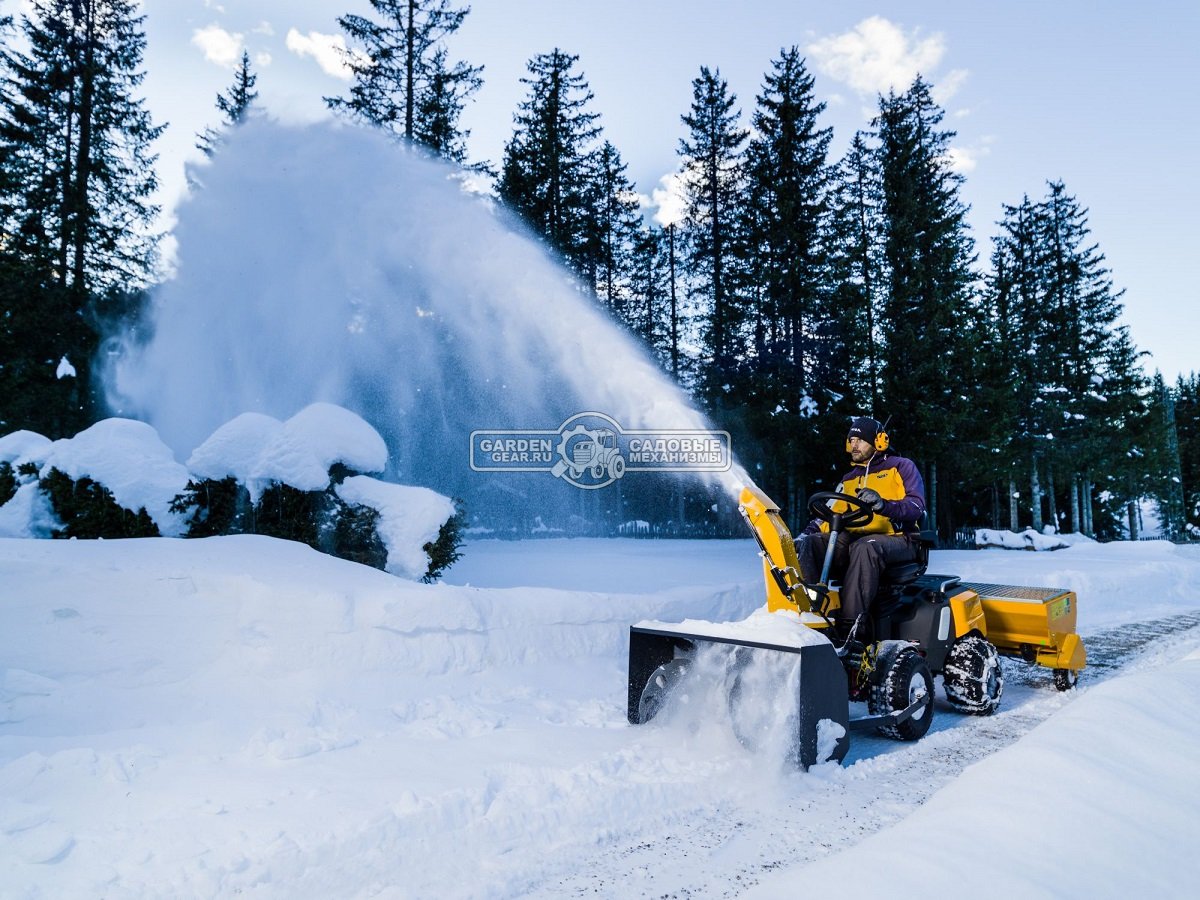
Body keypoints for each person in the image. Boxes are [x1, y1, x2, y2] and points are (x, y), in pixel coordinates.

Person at [794, 416, 926, 641]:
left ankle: (852, 629)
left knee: (865, 547)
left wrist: (884, 505)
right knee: (812, 544)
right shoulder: (850, 478)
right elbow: (829, 513)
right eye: (850, 440)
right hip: (858, 542)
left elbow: (916, 505)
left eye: (860, 440)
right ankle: (810, 614)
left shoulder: (901, 466)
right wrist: (803, 535)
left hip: (901, 539)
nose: (853, 445)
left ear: (879, 441)